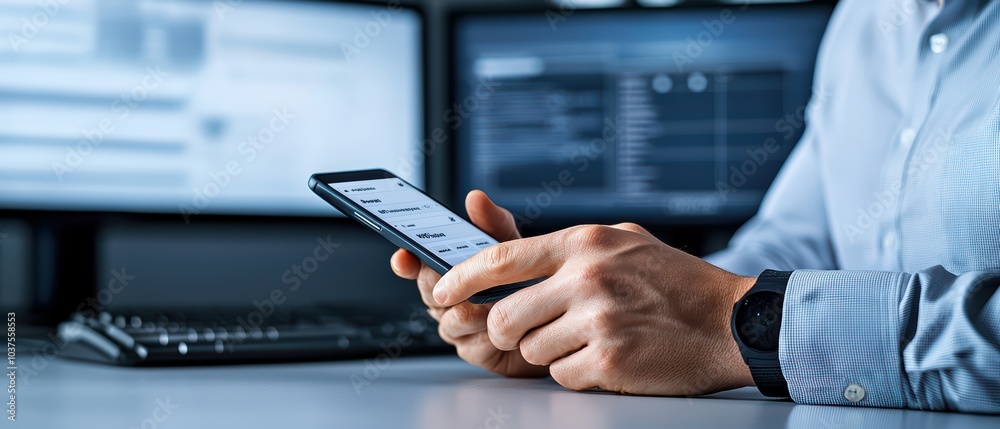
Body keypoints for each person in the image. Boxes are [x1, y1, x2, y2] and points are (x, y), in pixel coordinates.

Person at [391, 0, 999, 413]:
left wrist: (740, 323)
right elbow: (801, 242)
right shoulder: (864, 19)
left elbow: (734, 307)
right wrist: (584, 317)